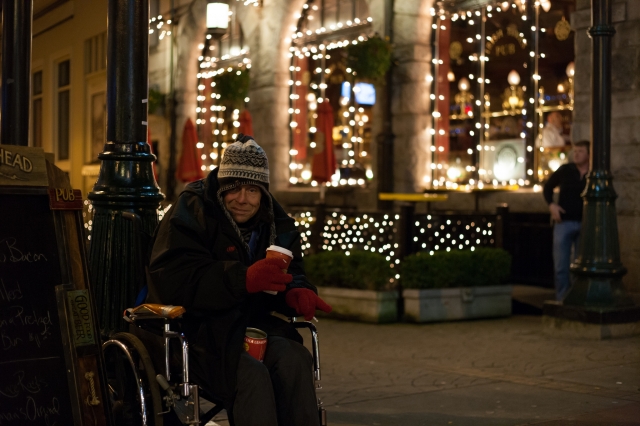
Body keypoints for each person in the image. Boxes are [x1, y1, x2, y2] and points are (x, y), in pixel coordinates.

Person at [147, 134, 332, 426]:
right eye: (233, 189)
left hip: (251, 328)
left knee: (294, 359)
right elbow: (174, 278)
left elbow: (291, 272)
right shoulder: (192, 211)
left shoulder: (275, 220)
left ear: (264, 193)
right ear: (220, 189)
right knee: (251, 376)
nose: (242, 199)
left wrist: (297, 292)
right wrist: (242, 278)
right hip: (196, 333)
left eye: (252, 190)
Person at [543, 140, 589, 301]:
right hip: (564, 221)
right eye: (575, 151)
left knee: (580, 265)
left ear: (589, 155)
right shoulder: (565, 170)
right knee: (561, 265)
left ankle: (577, 298)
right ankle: (562, 299)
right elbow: (547, 187)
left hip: (584, 222)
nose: (576, 154)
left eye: (581, 151)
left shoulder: (593, 173)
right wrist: (552, 206)